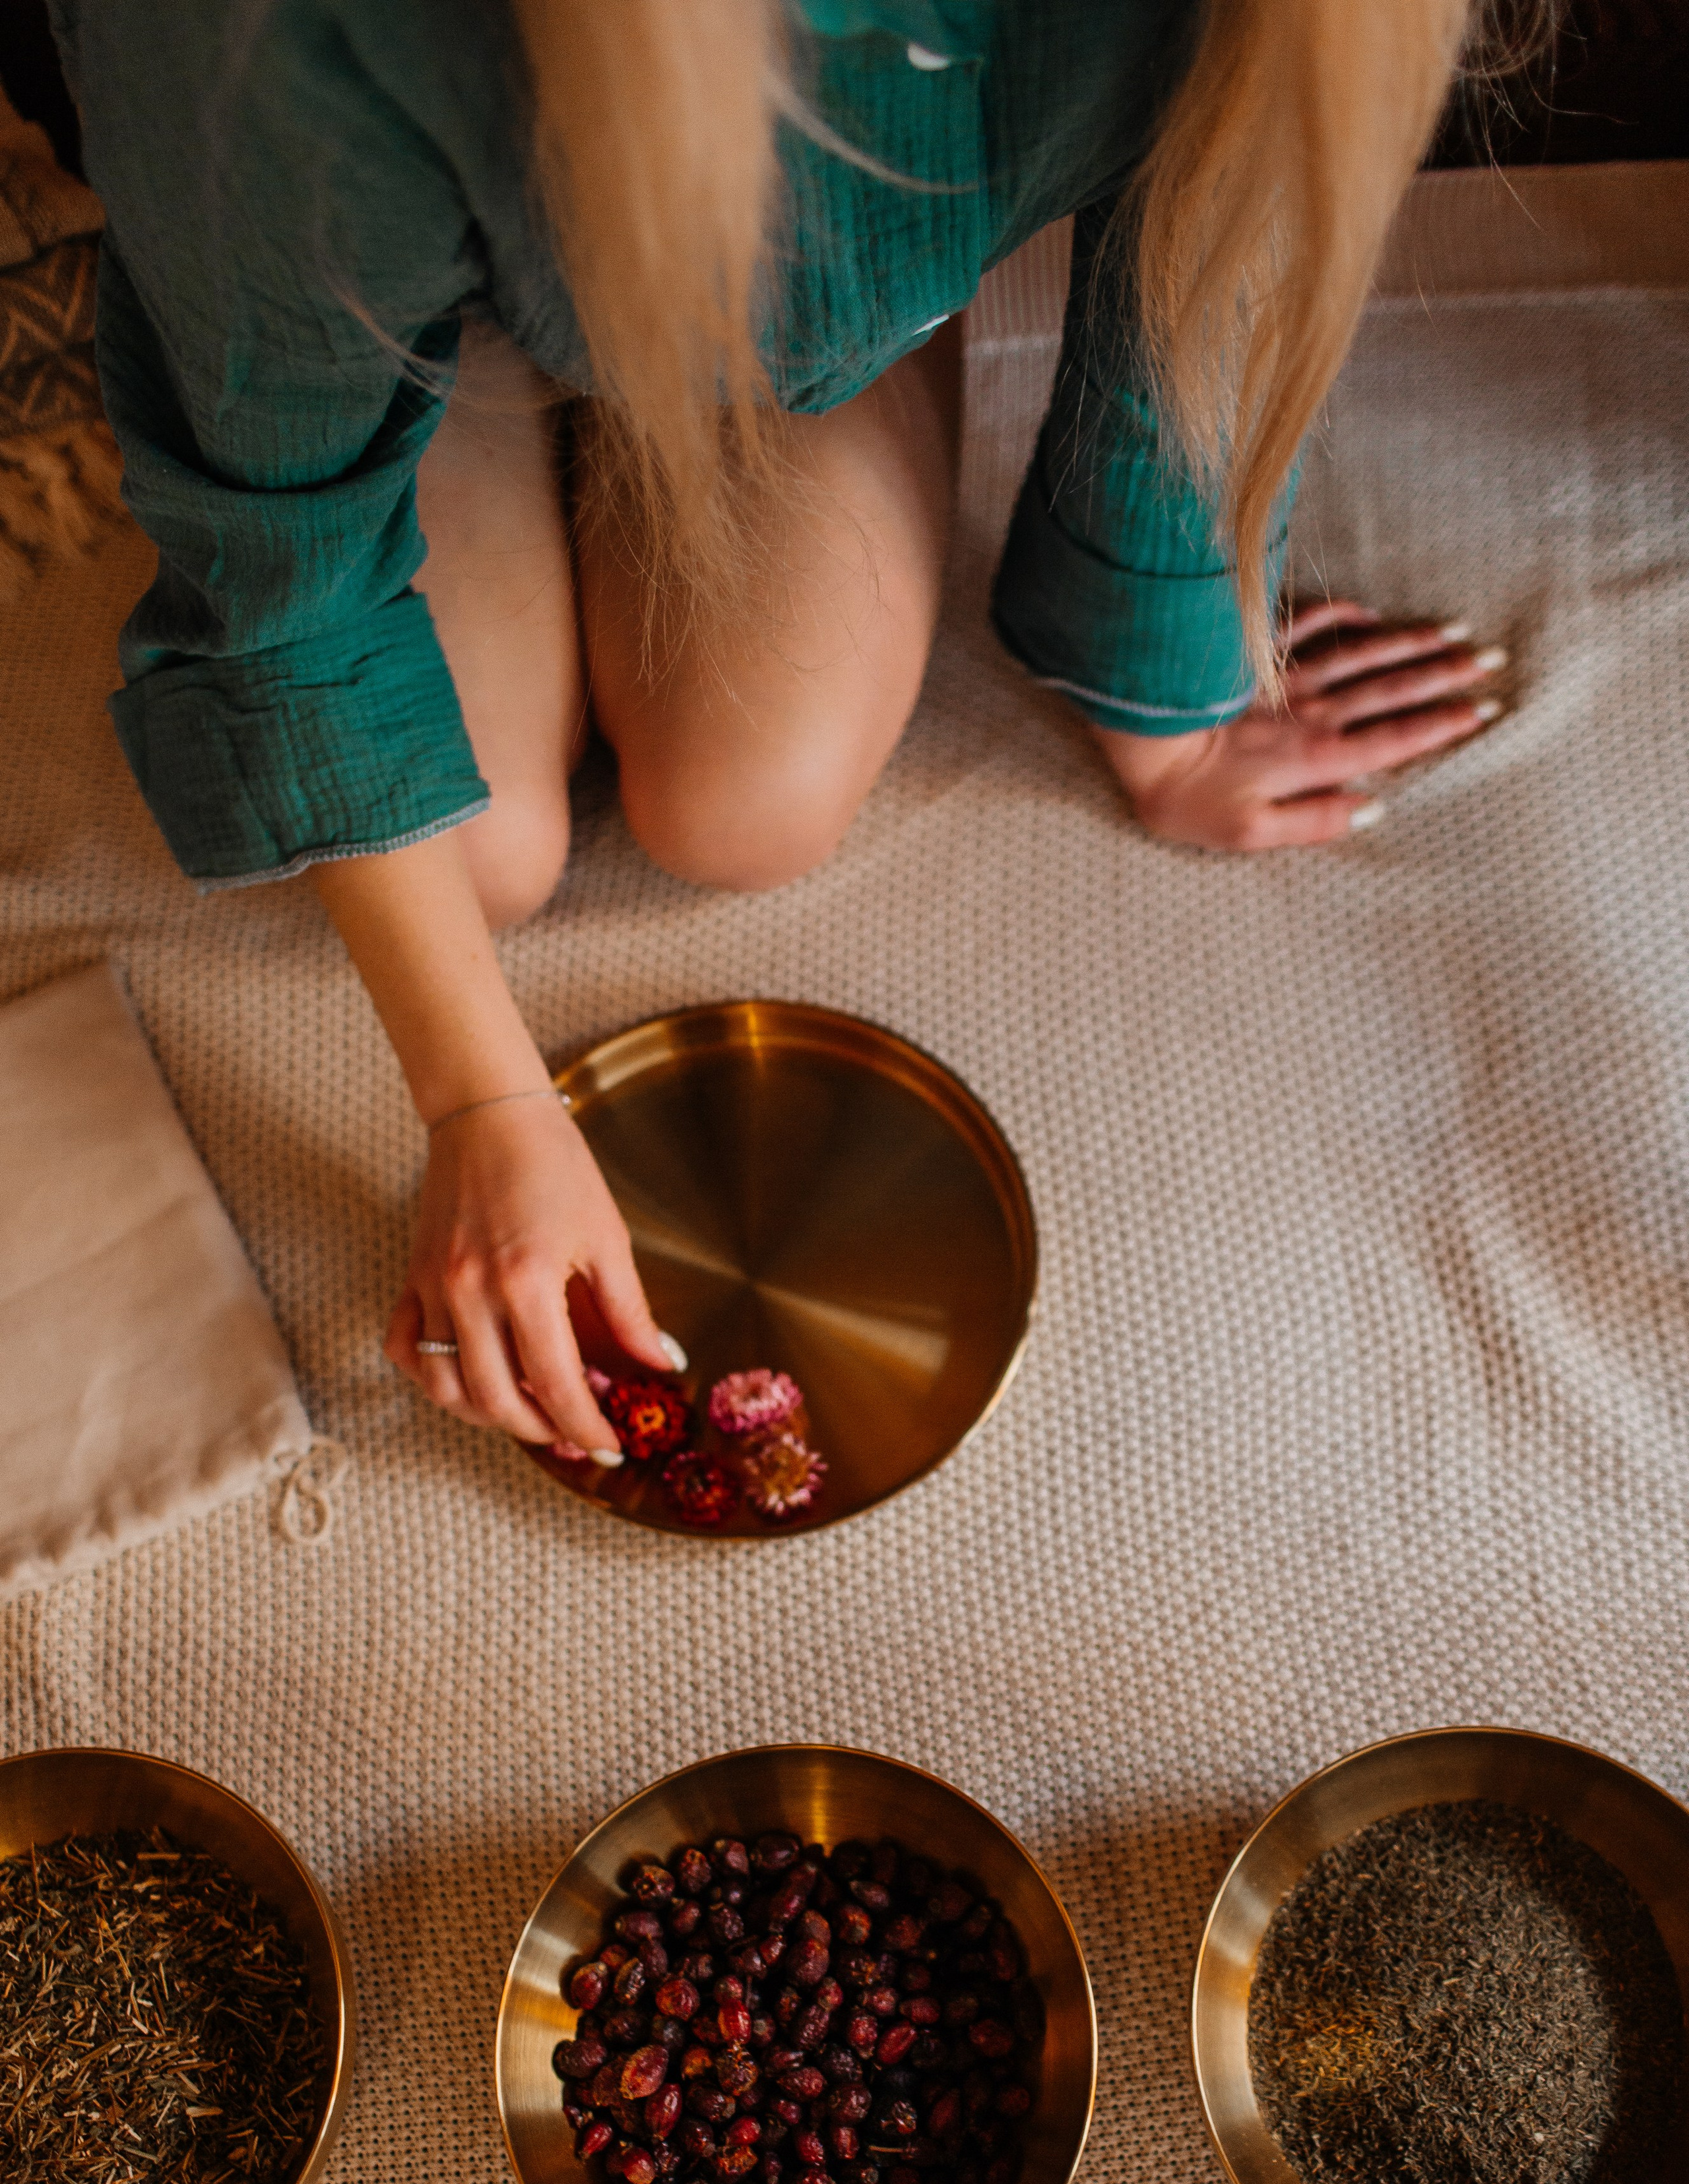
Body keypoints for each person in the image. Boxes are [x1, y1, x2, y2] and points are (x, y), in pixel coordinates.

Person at [53, 0, 1515, 1462]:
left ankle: (750, 322)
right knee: (479, 856)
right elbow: (273, 514)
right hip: (366, 252)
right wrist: (477, 1102)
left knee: (749, 804)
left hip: (803, 271)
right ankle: (466, 317)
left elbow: (1235, 201)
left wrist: (1166, 688)